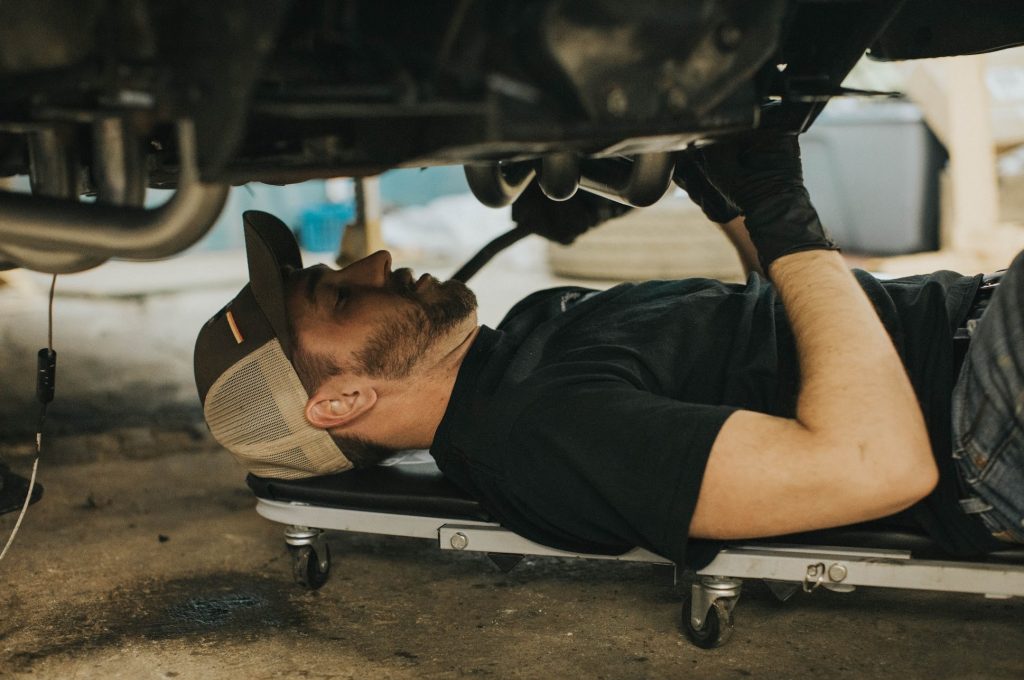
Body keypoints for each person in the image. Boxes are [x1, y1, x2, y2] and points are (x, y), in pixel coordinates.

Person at [194, 132, 1021, 569]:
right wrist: (783, 215)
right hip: (983, 411)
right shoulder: (543, 434)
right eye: (340, 297)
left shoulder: (515, 360)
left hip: (981, 347)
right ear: (340, 404)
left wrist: (727, 199)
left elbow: (770, 347)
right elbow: (877, 463)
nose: (374, 263)